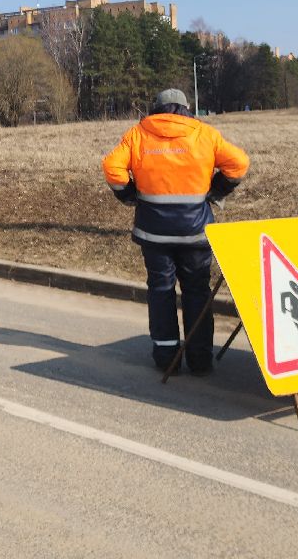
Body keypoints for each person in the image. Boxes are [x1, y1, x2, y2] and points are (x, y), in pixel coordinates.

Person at [101, 89, 249, 374]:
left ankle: (167, 357)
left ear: (156, 110)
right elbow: (239, 163)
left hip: (154, 233)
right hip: (195, 232)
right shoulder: (205, 134)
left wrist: (129, 195)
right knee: (196, 291)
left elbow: (112, 167)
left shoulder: (138, 134)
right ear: (186, 108)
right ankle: (200, 357)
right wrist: (216, 190)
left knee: (161, 291)